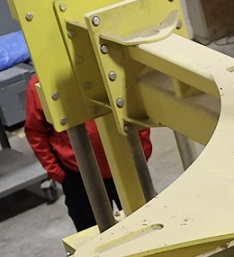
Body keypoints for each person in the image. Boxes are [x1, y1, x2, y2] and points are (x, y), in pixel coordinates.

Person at [23, 74, 152, 232]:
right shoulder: (39, 84)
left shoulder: (106, 68)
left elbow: (135, 109)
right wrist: (57, 172)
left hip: (126, 166)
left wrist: (141, 152)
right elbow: (36, 132)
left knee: (145, 225)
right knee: (92, 237)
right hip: (79, 178)